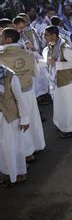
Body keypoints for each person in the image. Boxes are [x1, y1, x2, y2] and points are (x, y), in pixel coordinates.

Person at [0, 27, 45, 161]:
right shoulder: (29, 54)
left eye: (1, 36)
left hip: (11, 97)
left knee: (18, 125)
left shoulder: (1, 55)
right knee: (31, 119)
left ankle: (26, 154)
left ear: (8, 39)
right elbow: (36, 73)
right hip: (28, 92)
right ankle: (37, 146)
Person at [42, 25, 72, 138]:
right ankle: (62, 126)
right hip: (56, 81)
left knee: (67, 106)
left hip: (66, 83)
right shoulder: (49, 47)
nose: (44, 37)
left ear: (54, 35)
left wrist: (56, 63)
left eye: (46, 35)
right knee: (59, 106)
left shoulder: (65, 48)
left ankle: (71, 129)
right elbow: (48, 62)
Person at [0, 64, 30, 187]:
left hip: (9, 118)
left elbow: (19, 98)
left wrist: (25, 119)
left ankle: (14, 174)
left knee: (11, 147)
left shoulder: (9, 75)